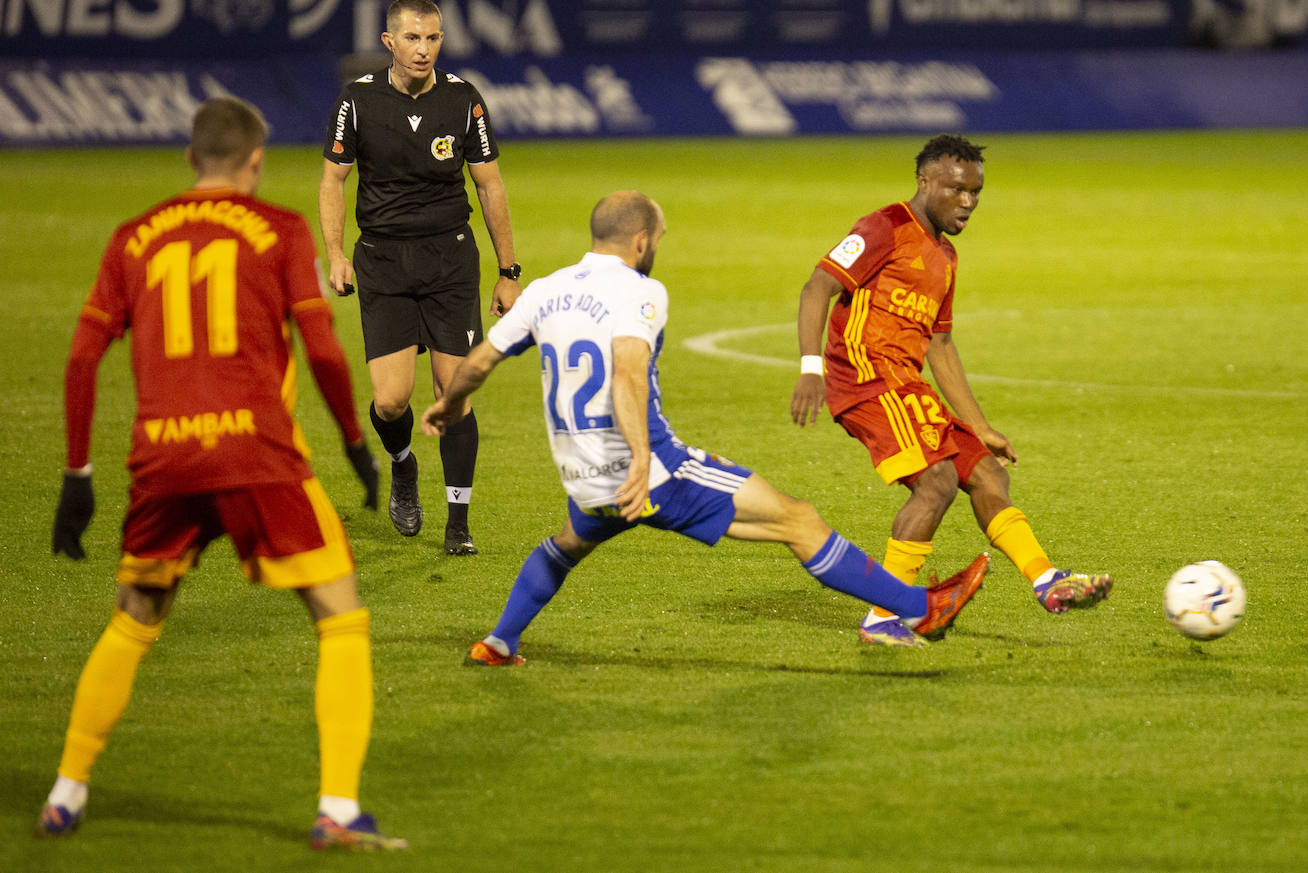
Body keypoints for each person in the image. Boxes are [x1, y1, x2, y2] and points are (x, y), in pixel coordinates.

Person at [39, 97, 405, 851]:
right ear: (256, 161)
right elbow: (325, 351)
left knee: (132, 620)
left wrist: (78, 474)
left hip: (162, 459)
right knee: (341, 616)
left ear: (188, 158)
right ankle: (337, 809)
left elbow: (81, 358)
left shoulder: (131, 237)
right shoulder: (279, 229)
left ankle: (65, 792)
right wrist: (355, 447)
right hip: (257, 452)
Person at [422, 190, 989, 666]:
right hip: (650, 472)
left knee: (569, 544)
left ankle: (499, 642)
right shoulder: (640, 292)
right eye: (659, 240)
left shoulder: (543, 290)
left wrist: (448, 406)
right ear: (641, 240)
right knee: (799, 519)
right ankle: (917, 609)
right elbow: (625, 374)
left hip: (582, 474)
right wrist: (643, 461)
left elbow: (476, 363)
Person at [790, 134, 1112, 648]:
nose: (968, 201)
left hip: (907, 384)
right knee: (937, 482)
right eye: (957, 189)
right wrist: (810, 367)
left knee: (985, 471)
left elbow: (940, 344)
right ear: (925, 181)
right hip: (866, 378)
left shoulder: (945, 256)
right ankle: (882, 617)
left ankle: (1047, 581)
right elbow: (817, 287)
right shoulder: (885, 226)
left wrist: (980, 426)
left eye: (977, 191)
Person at [319, 0, 522, 555]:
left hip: (450, 259)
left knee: (455, 394)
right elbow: (335, 180)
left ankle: (458, 523)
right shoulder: (358, 99)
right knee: (390, 401)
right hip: (382, 261)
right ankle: (403, 466)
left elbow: (490, 185)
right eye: (412, 38)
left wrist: (508, 271)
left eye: (433, 38)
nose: (423, 49)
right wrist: (336, 254)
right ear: (389, 42)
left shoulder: (462, 99)